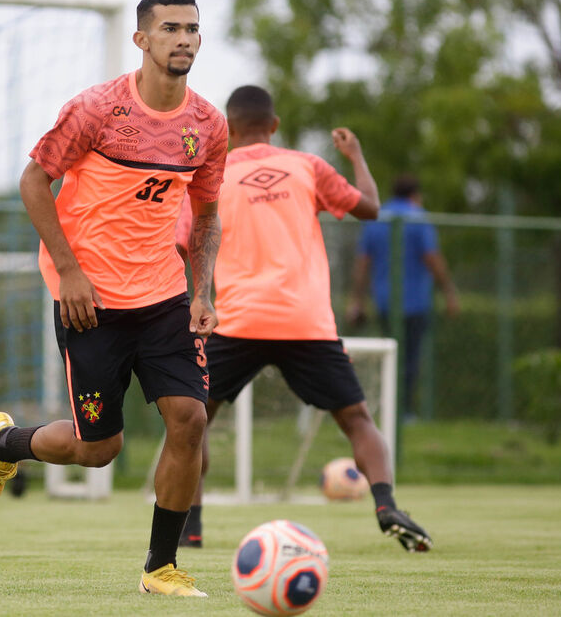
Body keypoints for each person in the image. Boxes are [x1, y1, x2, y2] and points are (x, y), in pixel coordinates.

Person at [0, 0, 227, 597]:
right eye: (169, 29)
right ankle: (4, 441)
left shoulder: (208, 124)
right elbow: (34, 182)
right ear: (142, 39)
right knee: (99, 450)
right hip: (92, 302)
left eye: (192, 28)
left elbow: (209, 214)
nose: (183, 38)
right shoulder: (96, 109)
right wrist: (70, 272)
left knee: (189, 419)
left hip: (165, 297)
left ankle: (160, 567)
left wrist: (202, 291)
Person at [175, 85, 433, 553]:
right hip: (306, 320)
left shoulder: (210, 175)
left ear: (230, 129)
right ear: (274, 126)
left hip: (236, 321)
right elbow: (370, 209)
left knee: (193, 422)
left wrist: (195, 296)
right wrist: (355, 157)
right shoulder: (307, 166)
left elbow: (180, 243)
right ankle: (386, 504)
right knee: (357, 419)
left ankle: (189, 528)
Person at [346, 174, 459, 420]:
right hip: (416, 302)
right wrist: (449, 291)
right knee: (410, 359)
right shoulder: (418, 218)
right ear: (415, 194)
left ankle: (389, 408)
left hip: (384, 300)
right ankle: (403, 411)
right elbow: (432, 258)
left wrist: (357, 299)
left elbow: (363, 262)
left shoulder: (377, 217)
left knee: (391, 355)